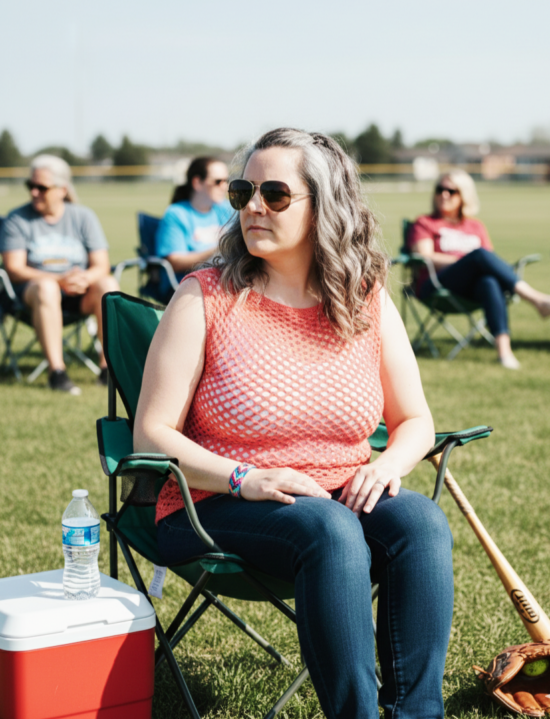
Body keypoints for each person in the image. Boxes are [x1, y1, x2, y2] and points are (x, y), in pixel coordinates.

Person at [134, 128, 454, 719]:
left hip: (337, 487)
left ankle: (415, 713)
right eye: (243, 191)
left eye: (275, 194)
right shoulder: (204, 296)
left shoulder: (363, 298)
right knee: (329, 529)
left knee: (420, 522)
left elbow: (414, 421)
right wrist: (243, 478)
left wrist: (386, 466)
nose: (253, 206)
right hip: (213, 499)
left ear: (323, 205)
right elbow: (151, 434)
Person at [0, 154, 119, 394]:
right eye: (30, 186)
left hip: (79, 293)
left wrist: (84, 278)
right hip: (32, 295)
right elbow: (13, 268)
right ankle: (57, 372)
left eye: (41, 188)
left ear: (62, 189)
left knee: (107, 283)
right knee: (47, 287)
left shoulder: (83, 216)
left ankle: (109, 369)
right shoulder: (17, 219)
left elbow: (101, 265)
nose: (34, 192)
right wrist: (58, 280)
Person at [409, 169, 550, 369]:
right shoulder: (425, 223)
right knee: (479, 255)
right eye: (439, 189)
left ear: (464, 195)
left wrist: (472, 262)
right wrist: (464, 261)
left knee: (489, 281)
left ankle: (504, 352)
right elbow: (424, 256)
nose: (444, 194)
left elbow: (489, 265)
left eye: (451, 190)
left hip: (470, 287)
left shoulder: (475, 226)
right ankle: (537, 299)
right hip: (437, 284)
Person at [155, 157, 233, 300]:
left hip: (223, 283)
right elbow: (175, 262)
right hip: (187, 287)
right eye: (218, 182)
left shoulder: (226, 209)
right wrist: (218, 250)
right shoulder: (176, 214)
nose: (225, 186)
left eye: (226, 181)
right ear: (197, 183)